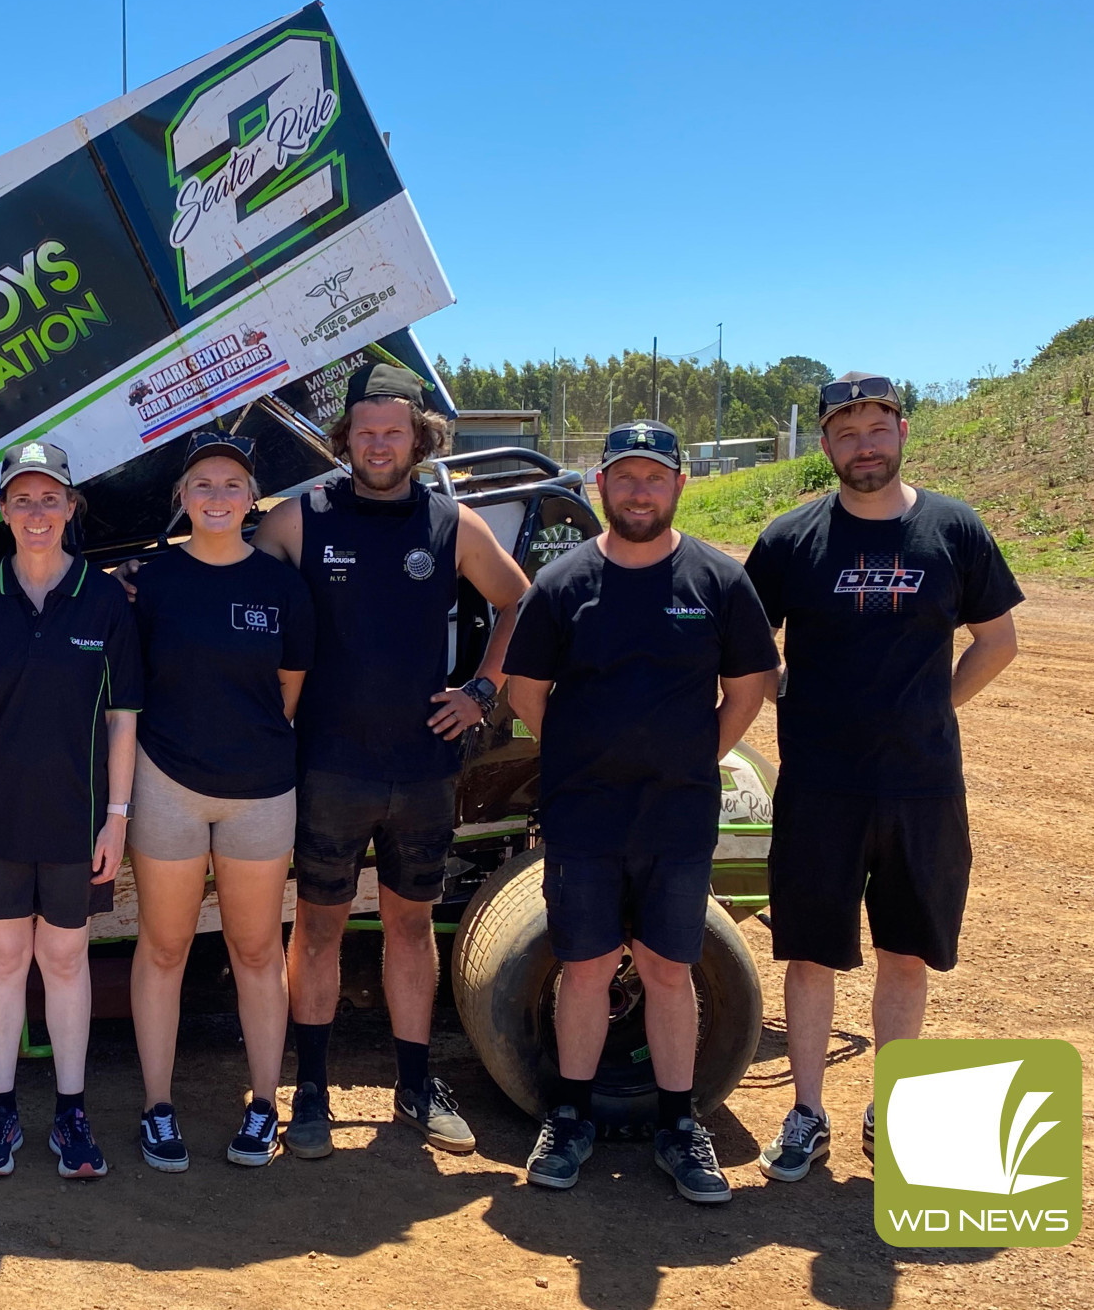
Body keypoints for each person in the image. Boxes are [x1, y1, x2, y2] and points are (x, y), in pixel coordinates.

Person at [248, 362, 532, 1160]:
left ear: (417, 437)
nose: (378, 444)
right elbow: (227, 583)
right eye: (365, 431)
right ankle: (310, 1091)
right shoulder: (297, 520)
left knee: (410, 924)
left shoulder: (451, 525)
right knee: (319, 929)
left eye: (393, 431)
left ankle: (414, 1084)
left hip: (422, 765)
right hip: (327, 766)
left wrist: (481, 687)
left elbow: (520, 600)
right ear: (345, 438)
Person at [743, 372, 1021, 1182]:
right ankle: (806, 1113)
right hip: (821, 785)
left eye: (876, 427)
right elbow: (746, 642)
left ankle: (892, 1112)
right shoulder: (792, 538)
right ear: (825, 445)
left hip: (923, 786)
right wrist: (783, 693)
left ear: (902, 431)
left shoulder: (953, 529)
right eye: (845, 431)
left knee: (905, 953)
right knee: (810, 953)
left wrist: (937, 704)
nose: (863, 444)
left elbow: (996, 640)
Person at [503, 419, 778, 1205]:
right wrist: (579, 755)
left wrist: (695, 756)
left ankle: (677, 1124)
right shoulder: (562, 584)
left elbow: (749, 686)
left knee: (667, 968)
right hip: (585, 817)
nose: (638, 490)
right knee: (585, 969)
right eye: (624, 476)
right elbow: (526, 692)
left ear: (679, 485)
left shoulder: (718, 581)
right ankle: (571, 1116)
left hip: (677, 818)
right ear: (602, 487)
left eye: (654, 476)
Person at [0, 441, 142, 1179]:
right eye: (22, 498)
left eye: (49, 497)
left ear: (70, 506)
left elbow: (123, 716)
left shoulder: (103, 599)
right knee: (2, 957)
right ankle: (1, 1109)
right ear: (3, 510)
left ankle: (69, 1110)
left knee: (63, 958)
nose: (36, 511)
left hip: (76, 816)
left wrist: (116, 815)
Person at [126, 430, 314, 1171]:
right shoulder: (155, 581)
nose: (215, 495)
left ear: (250, 497)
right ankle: (156, 1107)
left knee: (258, 948)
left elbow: (289, 689)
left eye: (231, 483)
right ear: (182, 496)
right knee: (165, 947)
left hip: (261, 791)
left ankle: (265, 1102)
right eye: (201, 483)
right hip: (167, 781)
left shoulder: (281, 585)